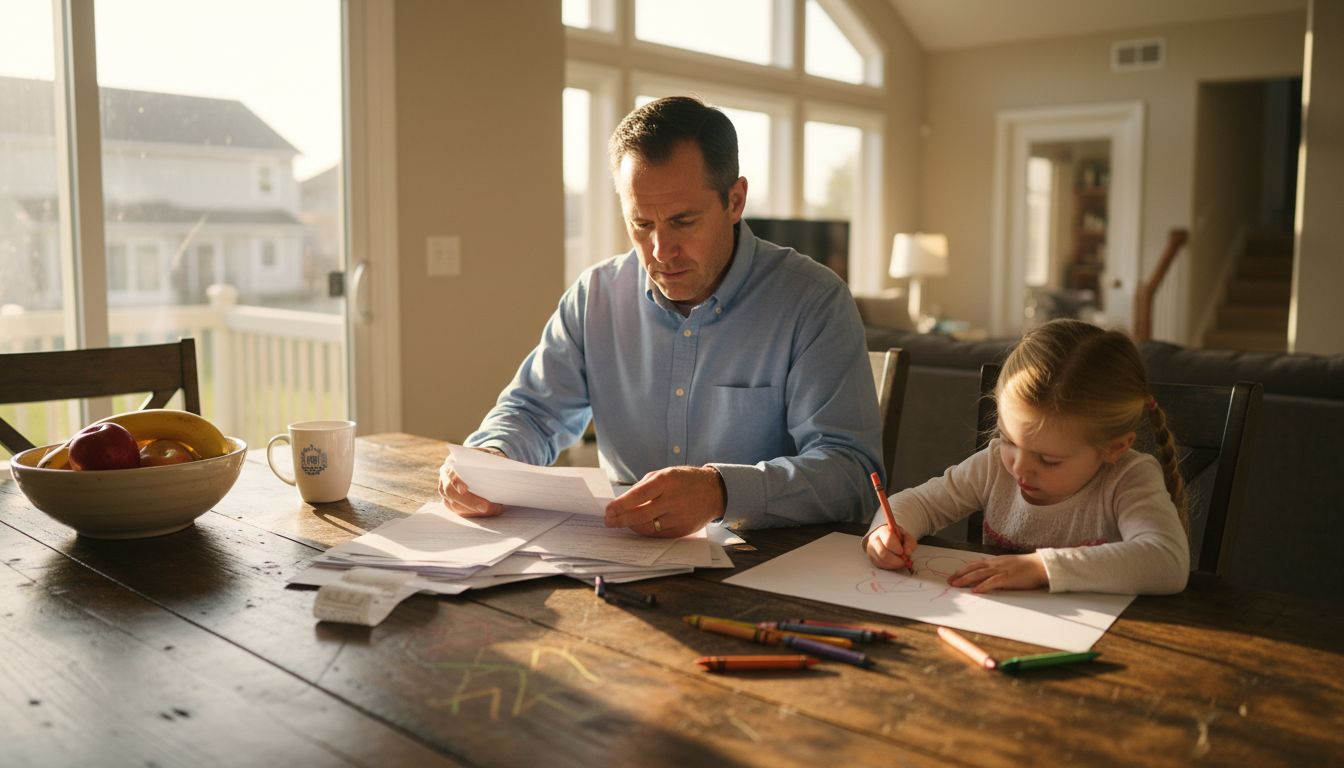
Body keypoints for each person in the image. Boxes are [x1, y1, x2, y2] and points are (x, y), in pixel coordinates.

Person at [438, 95, 883, 538]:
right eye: (642, 224)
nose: (660, 251)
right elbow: (532, 412)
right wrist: (490, 460)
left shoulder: (813, 301)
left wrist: (722, 491)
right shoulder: (596, 296)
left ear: (735, 200)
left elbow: (852, 475)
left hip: (765, 567)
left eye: (683, 222)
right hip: (616, 562)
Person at [864, 318, 1190, 595]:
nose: (1019, 467)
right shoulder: (994, 465)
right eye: (1007, 440)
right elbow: (920, 503)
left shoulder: (1128, 477)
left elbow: (1167, 561)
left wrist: (1040, 567)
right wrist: (886, 532)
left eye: (1048, 460)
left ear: (1113, 448)